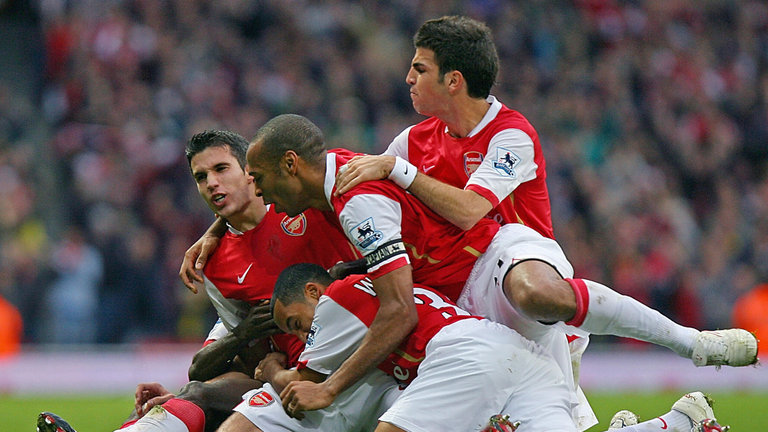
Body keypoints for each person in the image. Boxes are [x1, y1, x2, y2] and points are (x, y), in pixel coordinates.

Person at [245, 113, 757, 430]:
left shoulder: (507, 132)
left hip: (491, 257)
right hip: (457, 305)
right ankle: (676, 423)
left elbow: (459, 224)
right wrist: (214, 234)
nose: (408, 78)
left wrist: (329, 389)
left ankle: (692, 342)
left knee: (538, 293)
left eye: (419, 68)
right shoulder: (370, 159)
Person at [36, 129, 362, 432]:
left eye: (221, 169)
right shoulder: (216, 265)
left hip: (365, 357)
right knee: (198, 396)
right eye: (201, 177)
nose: (212, 183)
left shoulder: (301, 198)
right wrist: (191, 394)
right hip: (294, 379)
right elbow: (251, 359)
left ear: (250, 169)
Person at [239, 263, 728, 432]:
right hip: (516, 355)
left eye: (297, 323)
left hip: (462, 356)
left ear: (312, 293)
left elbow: (305, 388)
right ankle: (680, 421)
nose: (304, 335)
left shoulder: (338, 300)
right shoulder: (382, 289)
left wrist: (274, 368)